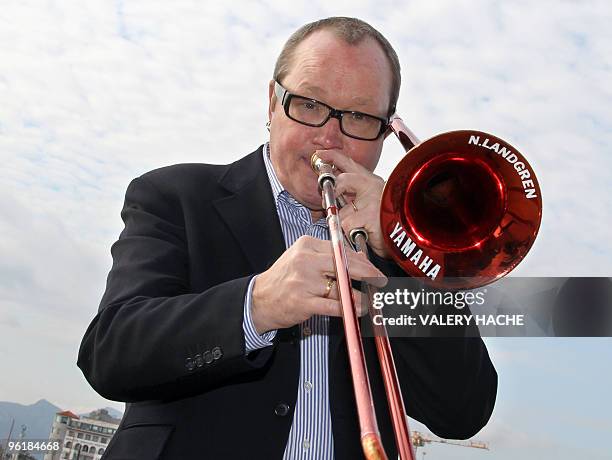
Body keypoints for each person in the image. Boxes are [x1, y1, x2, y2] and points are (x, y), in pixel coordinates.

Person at [77, 17, 497, 460]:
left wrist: (400, 249)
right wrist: (255, 306)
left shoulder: (402, 243)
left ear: (384, 132)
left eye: (358, 116)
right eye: (310, 103)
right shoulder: (175, 197)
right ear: (273, 103)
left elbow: (464, 410)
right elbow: (110, 353)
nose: (329, 135)